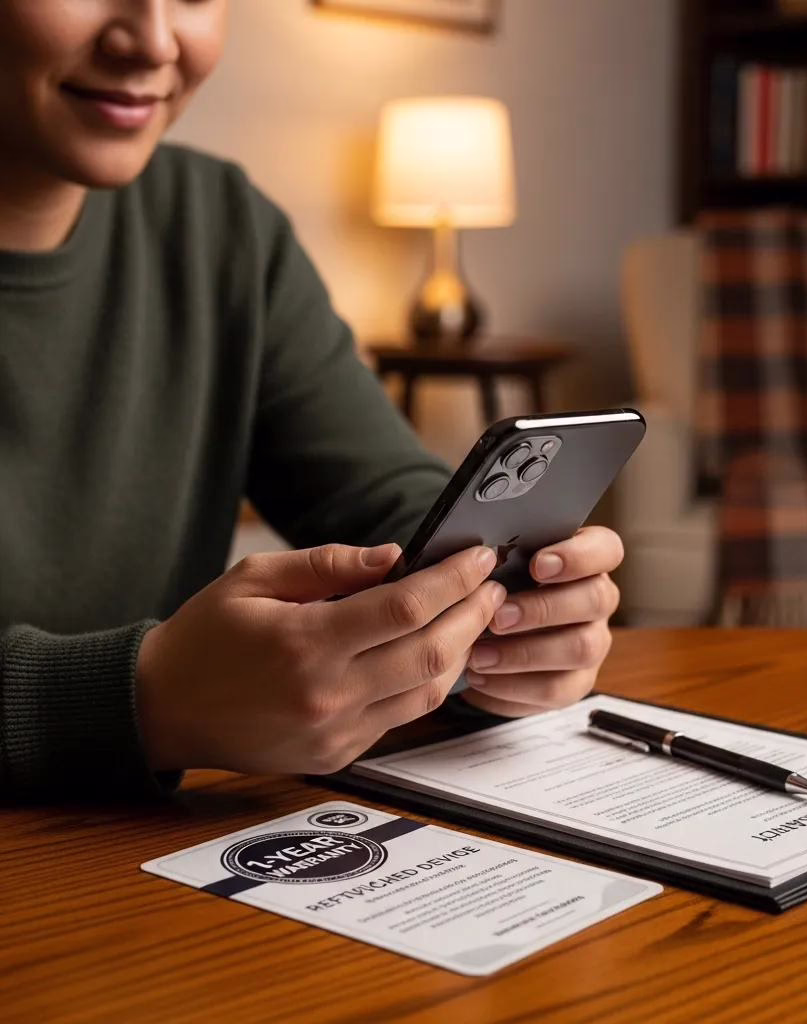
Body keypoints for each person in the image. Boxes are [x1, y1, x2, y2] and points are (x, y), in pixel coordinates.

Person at [0, 0, 624, 798]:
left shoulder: (221, 226)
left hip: (141, 863)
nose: (151, 41)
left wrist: (500, 603)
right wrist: (142, 699)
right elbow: (149, 702)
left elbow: (380, 493)